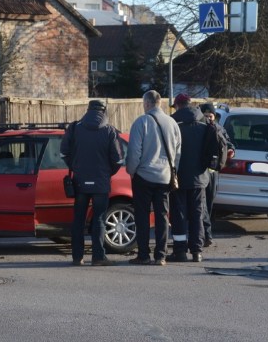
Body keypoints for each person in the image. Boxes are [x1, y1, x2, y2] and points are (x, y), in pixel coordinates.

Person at [60, 100, 123, 265]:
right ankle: (98, 257)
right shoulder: (109, 131)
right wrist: (107, 173)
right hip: (101, 183)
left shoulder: (75, 128)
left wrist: (75, 166)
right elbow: (118, 159)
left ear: (88, 110)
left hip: (80, 183)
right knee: (99, 219)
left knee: (78, 219)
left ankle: (77, 257)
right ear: (104, 111)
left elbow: (63, 152)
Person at [126, 90, 181, 266]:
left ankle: (143, 254)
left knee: (142, 216)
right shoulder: (172, 123)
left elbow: (134, 152)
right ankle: (161, 255)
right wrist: (173, 171)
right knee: (162, 216)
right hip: (165, 176)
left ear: (147, 103)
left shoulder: (141, 122)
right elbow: (178, 152)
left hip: (143, 175)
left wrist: (131, 170)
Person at [167, 93, 208, 262]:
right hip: (200, 177)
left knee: (179, 215)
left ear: (177, 105)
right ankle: (197, 252)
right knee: (197, 214)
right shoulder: (205, 122)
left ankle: (180, 251)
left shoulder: (173, 123)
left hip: (179, 177)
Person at [199, 102, 235, 246]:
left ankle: (206, 233)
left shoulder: (220, 129)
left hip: (213, 173)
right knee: (201, 206)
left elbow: (230, 144)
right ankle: (205, 234)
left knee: (208, 204)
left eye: (211, 115)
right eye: (206, 115)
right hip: (201, 172)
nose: (208, 118)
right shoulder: (198, 129)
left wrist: (231, 151)